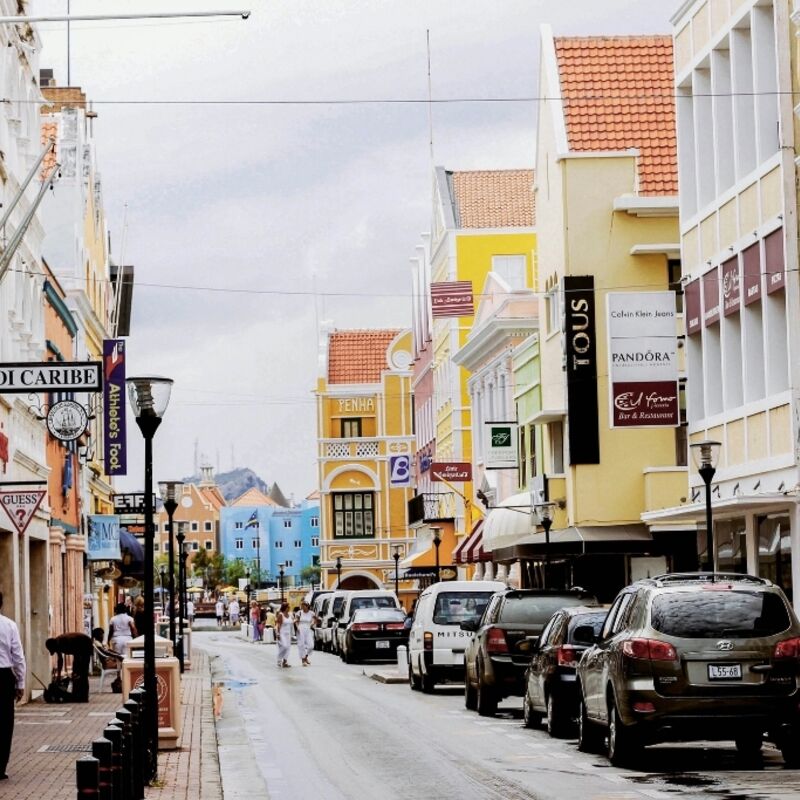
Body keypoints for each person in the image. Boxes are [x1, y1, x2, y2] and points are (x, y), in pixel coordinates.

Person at [0, 591, 25, 781]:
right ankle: (0, 767)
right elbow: (18, 656)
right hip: (3, 677)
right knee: (4, 723)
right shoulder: (9, 625)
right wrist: (21, 682)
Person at [45, 632, 93, 702]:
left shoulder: (63, 643)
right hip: (79, 650)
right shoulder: (57, 643)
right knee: (76, 673)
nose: (53, 652)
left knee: (82, 673)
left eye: (52, 650)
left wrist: (78, 670)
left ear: (53, 646)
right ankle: (77, 695)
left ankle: (83, 697)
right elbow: (60, 660)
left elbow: (78, 653)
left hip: (85, 645)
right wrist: (58, 675)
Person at [295, 601, 315, 666]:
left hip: (308, 629)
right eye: (302, 605)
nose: (303, 607)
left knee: (311, 645)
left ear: (307, 606)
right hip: (301, 629)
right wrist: (297, 627)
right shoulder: (299, 612)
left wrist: (312, 624)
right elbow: (296, 621)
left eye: (304, 605)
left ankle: (306, 657)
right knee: (302, 645)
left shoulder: (311, 613)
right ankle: (303, 660)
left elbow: (315, 620)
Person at [275, 602, 294, 668]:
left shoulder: (290, 615)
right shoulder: (281, 615)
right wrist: (277, 633)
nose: (289, 608)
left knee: (288, 648)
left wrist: (292, 634)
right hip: (282, 633)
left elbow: (291, 624)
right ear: (285, 607)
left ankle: (285, 662)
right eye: (288, 607)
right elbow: (278, 625)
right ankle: (279, 659)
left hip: (288, 634)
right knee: (284, 646)